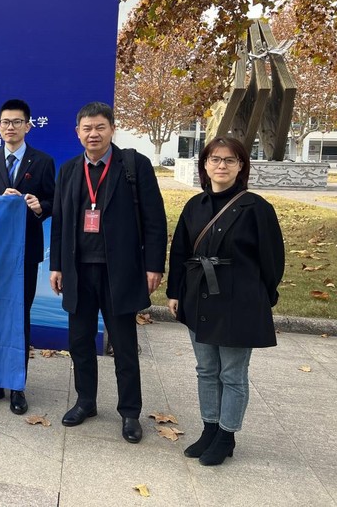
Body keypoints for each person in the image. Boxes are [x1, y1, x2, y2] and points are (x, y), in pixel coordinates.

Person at [49, 101, 166, 444]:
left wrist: (154, 265)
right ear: (77, 133)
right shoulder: (69, 170)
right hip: (78, 271)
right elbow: (60, 221)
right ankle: (85, 401)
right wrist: (56, 265)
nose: (93, 134)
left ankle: (130, 412)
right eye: (87, 128)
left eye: (100, 127)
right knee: (80, 341)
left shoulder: (133, 165)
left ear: (112, 129)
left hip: (120, 271)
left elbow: (155, 219)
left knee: (124, 346)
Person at [167, 136, 284, 465]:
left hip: (239, 301)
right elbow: (180, 252)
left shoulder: (257, 208)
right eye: (215, 159)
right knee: (206, 369)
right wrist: (175, 292)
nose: (221, 165)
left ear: (241, 166)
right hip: (199, 297)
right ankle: (209, 428)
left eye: (230, 160)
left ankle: (226, 435)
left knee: (232, 373)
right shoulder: (195, 206)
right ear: (205, 165)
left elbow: (272, 260)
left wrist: (260, 298)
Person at [0, 99, 55, 415]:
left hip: (27, 252)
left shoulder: (44, 161)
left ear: (28, 126)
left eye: (17, 122)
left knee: (20, 318)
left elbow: (54, 202)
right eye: (5, 122)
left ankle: (17, 385)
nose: (10, 127)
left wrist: (39, 206)